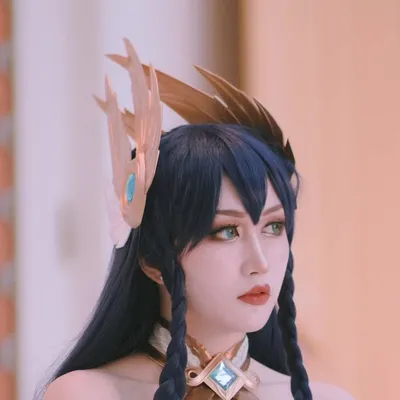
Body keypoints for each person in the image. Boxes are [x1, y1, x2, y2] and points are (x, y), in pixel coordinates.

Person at [42, 39, 354, 399]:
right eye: (227, 231)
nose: (261, 262)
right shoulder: (88, 394)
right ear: (153, 260)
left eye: (273, 226)